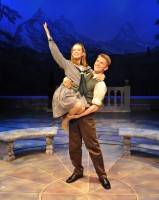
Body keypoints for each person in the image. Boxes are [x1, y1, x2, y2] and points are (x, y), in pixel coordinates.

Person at [43, 22, 104, 130]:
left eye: (78, 50)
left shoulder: (87, 69)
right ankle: (66, 119)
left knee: (81, 108)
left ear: (83, 53)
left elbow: (96, 74)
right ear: (71, 53)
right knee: (79, 106)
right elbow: (56, 53)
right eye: (73, 50)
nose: (75, 51)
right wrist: (48, 35)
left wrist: (103, 76)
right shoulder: (67, 64)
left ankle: (67, 117)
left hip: (78, 94)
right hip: (67, 92)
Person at [64, 53, 112, 190]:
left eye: (101, 63)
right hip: (75, 114)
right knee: (73, 147)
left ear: (106, 68)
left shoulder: (101, 84)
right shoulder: (86, 73)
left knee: (93, 147)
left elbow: (95, 107)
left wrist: (79, 116)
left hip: (85, 118)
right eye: (97, 60)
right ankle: (78, 171)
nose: (98, 63)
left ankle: (102, 176)